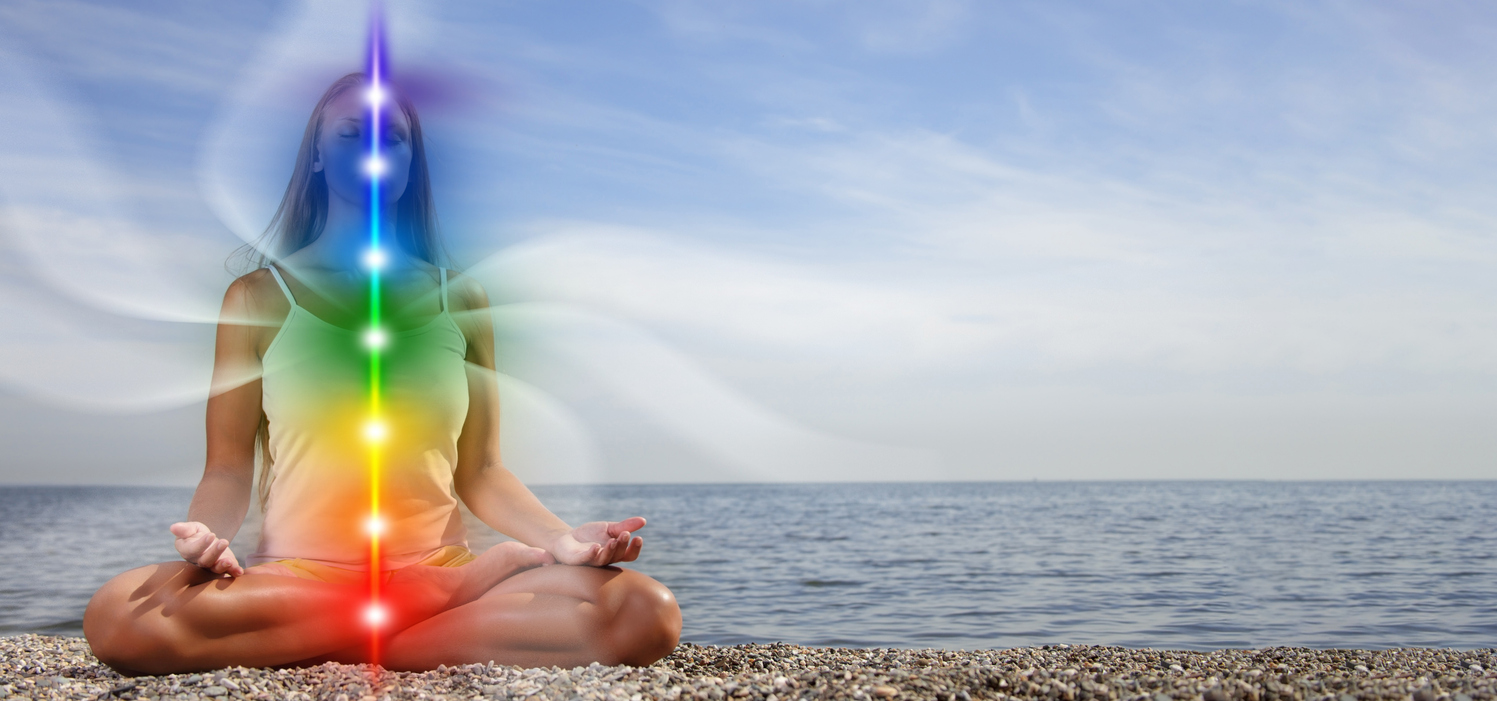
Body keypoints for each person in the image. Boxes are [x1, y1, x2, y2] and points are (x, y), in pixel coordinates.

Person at [82, 73, 681, 675]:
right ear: (317, 153)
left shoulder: (463, 298)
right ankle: (423, 617)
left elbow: (483, 470)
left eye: (393, 137)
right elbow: (230, 465)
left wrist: (562, 543)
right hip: (302, 578)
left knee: (644, 611)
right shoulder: (258, 298)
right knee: (118, 617)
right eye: (351, 132)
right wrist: (206, 540)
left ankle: (355, 635)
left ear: (410, 159)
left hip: (440, 561)